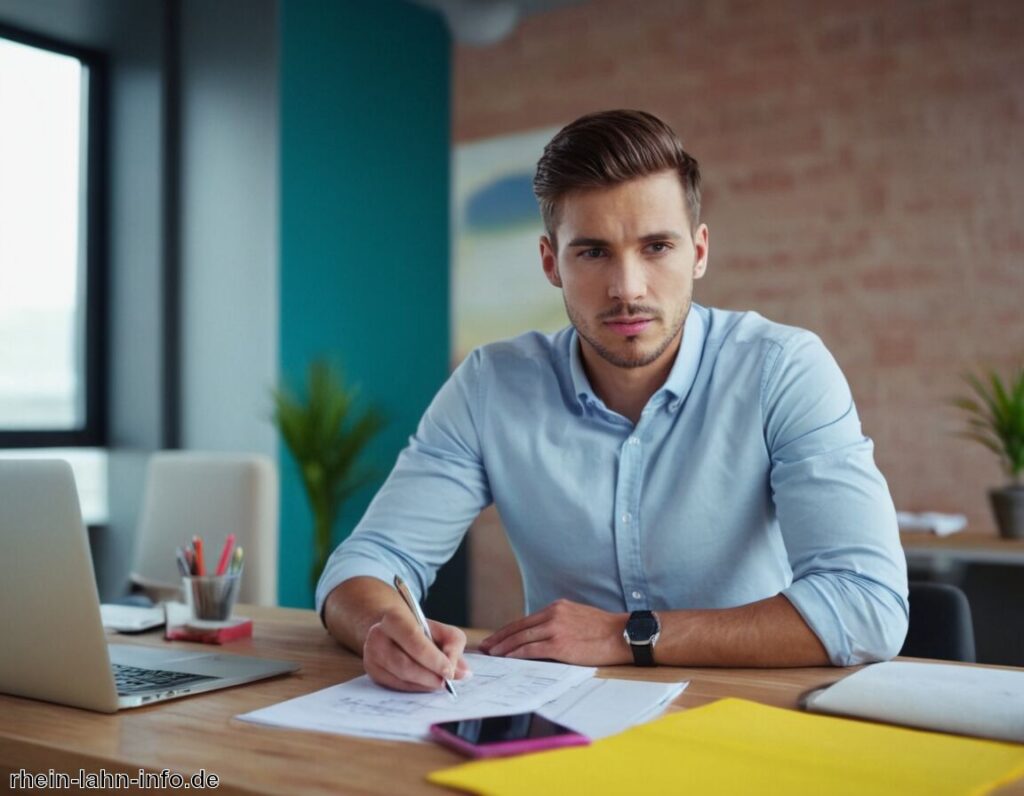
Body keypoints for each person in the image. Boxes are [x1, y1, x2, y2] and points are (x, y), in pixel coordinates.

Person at [316, 109, 908, 693]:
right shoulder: (490, 385)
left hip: (749, 721)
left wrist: (627, 635)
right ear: (551, 262)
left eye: (656, 247)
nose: (627, 288)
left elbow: (868, 604)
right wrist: (384, 626)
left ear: (698, 252)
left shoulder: (782, 369)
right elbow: (368, 560)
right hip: (564, 733)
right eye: (593, 252)